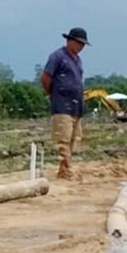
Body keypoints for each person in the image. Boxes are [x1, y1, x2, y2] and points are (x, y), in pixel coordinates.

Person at [40, 27, 87, 179]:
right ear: (69, 41)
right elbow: (46, 77)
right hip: (62, 105)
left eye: (83, 44)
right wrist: (52, 94)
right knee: (64, 139)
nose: (81, 47)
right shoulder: (57, 57)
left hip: (76, 106)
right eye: (79, 43)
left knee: (73, 139)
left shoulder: (77, 60)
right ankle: (67, 170)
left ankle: (64, 169)